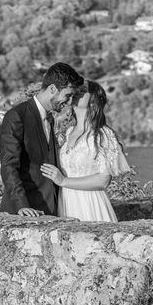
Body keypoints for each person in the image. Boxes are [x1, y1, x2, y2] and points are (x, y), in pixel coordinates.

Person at [0, 62, 84, 217]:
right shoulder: (17, 116)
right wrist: (21, 206)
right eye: (67, 95)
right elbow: (9, 165)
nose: (69, 102)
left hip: (51, 210)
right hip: (25, 212)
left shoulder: (49, 118)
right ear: (52, 89)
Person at [40, 80, 130, 222]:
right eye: (76, 91)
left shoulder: (102, 135)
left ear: (93, 100)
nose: (76, 93)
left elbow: (103, 180)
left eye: (82, 92)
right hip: (66, 203)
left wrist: (63, 181)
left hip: (90, 204)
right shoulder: (68, 132)